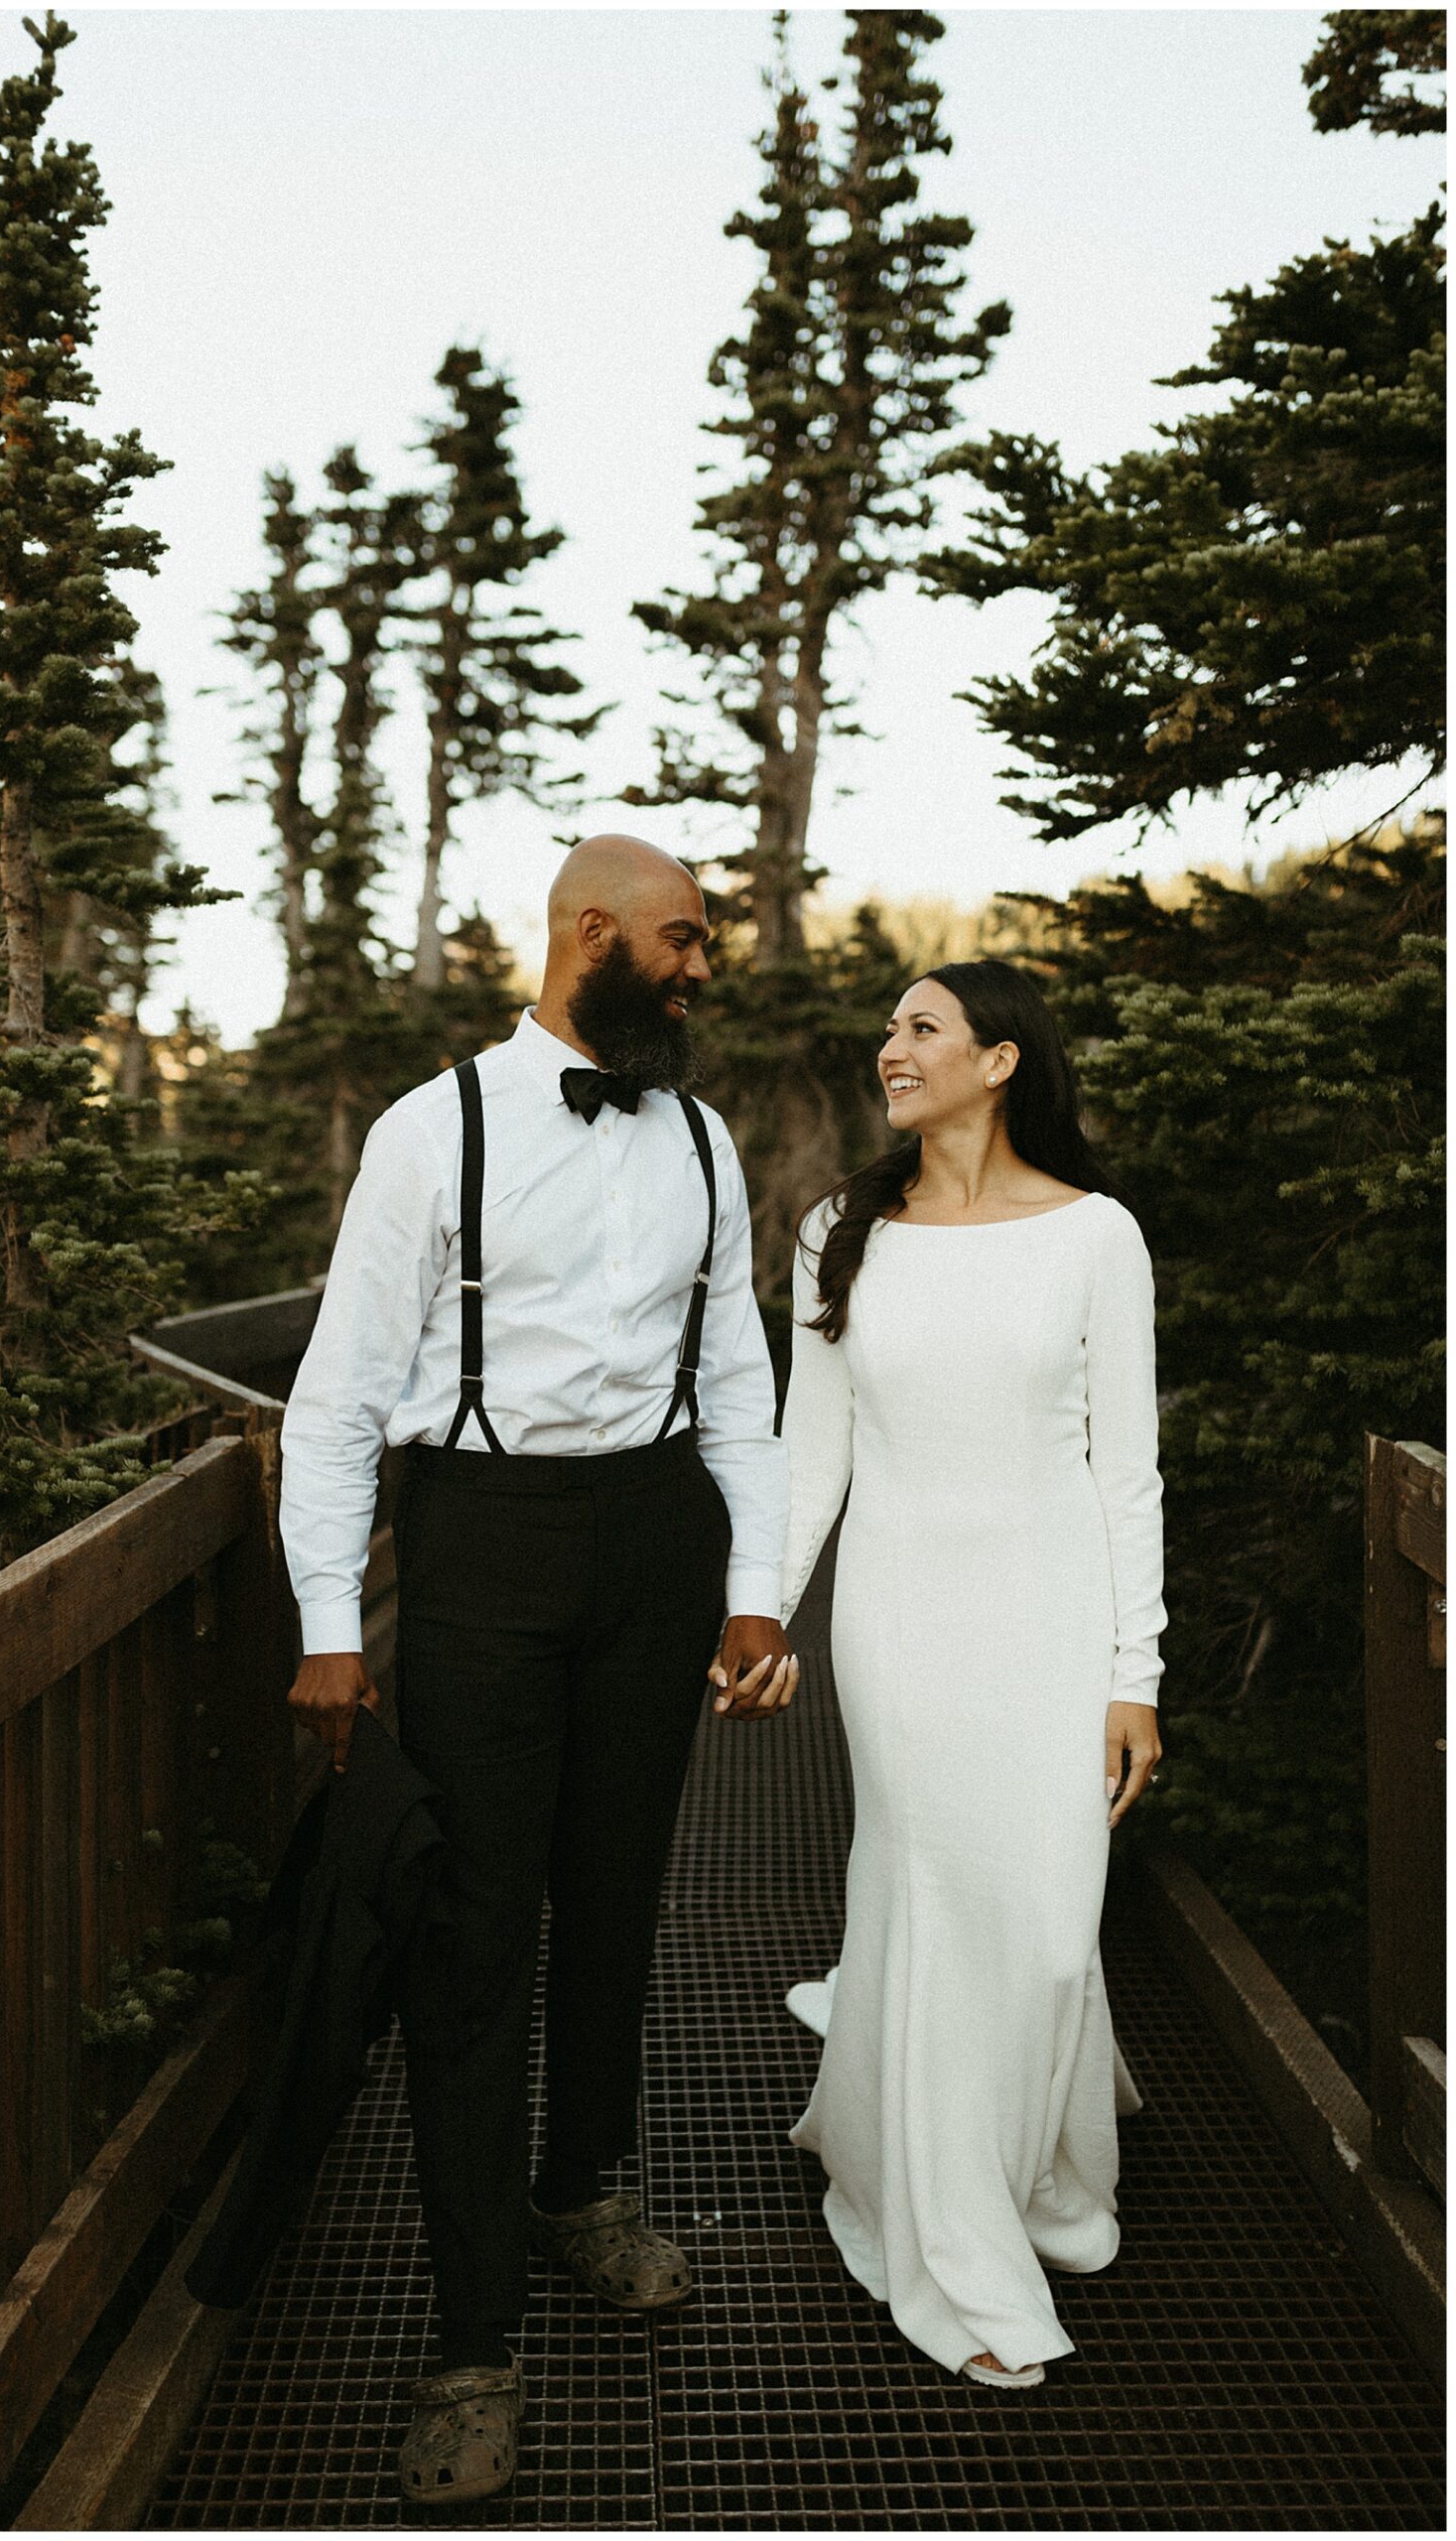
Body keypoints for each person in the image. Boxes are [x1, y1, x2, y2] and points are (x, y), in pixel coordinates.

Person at [279, 834, 798, 2505]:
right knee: (474, 1929)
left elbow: (736, 1380)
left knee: (618, 1891)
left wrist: (756, 1589)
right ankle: (471, 2337)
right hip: (487, 1546)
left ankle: (585, 2189)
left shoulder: (707, 1142)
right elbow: (342, 1397)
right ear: (592, 934)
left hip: (654, 1547)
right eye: (682, 940)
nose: (701, 968)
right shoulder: (434, 1131)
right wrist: (331, 1627)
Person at [767, 958, 1163, 2391]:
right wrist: (760, 1611)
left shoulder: (1094, 1237)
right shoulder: (841, 1229)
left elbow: (1126, 1472)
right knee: (936, 1899)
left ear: (998, 1061)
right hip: (900, 1617)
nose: (891, 1047)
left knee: (1052, 1919)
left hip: (1052, 1611)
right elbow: (811, 1455)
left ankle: (1043, 2160)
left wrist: (1137, 1673)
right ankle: (958, 2251)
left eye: (920, 1027)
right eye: (886, 1027)